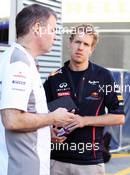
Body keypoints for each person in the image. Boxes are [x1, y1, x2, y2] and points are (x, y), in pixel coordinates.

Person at [0, 4, 75, 175]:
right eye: (53, 29)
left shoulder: (17, 59)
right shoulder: (19, 65)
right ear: (37, 28)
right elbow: (12, 120)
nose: (55, 36)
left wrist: (46, 131)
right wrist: (53, 117)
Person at [43, 24, 125, 175]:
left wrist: (84, 121)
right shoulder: (54, 78)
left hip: (90, 163)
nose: (80, 47)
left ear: (91, 49)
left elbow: (119, 117)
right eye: (77, 42)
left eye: (86, 44)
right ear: (70, 43)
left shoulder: (104, 76)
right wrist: (49, 131)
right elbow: (39, 114)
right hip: (56, 161)